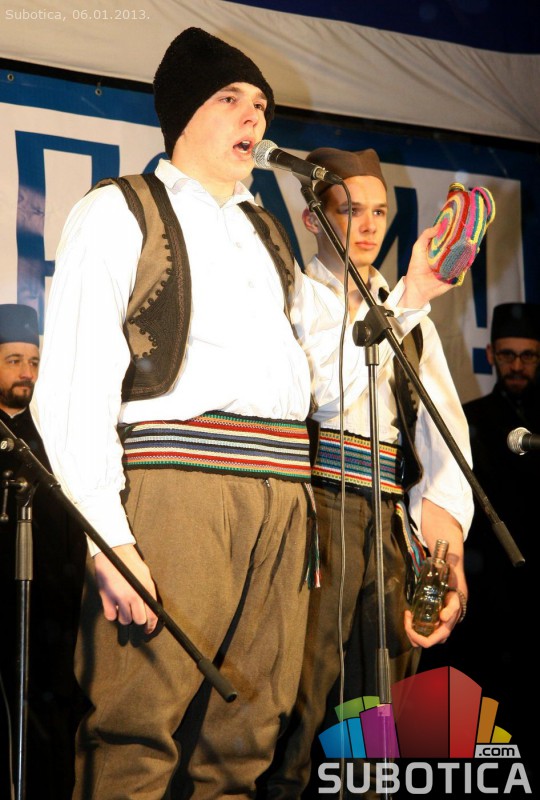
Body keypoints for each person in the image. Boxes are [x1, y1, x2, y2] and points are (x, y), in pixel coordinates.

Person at [32, 30, 461, 800]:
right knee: (137, 730)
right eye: (231, 98)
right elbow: (70, 381)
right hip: (180, 485)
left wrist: (409, 299)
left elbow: (326, 382)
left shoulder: (265, 233)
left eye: (260, 103)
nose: (254, 117)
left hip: (284, 498)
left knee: (245, 741)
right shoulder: (121, 210)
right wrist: (108, 536)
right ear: (184, 111)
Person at [260, 148, 474, 798]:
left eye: (379, 211)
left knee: (375, 710)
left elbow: (443, 440)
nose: (369, 224)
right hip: (311, 511)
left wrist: (446, 555)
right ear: (311, 218)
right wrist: (407, 301)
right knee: (297, 698)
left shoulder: (411, 318)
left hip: (388, 519)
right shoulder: (291, 298)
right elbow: (320, 390)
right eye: (349, 209)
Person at [422, 302, 540, 791]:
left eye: (528, 356)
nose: (517, 366)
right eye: (508, 355)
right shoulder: (468, 421)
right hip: (488, 593)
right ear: (490, 355)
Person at [0, 303, 86, 800]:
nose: (26, 373)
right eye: (13, 361)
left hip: (53, 610)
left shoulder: (55, 431)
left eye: (33, 362)